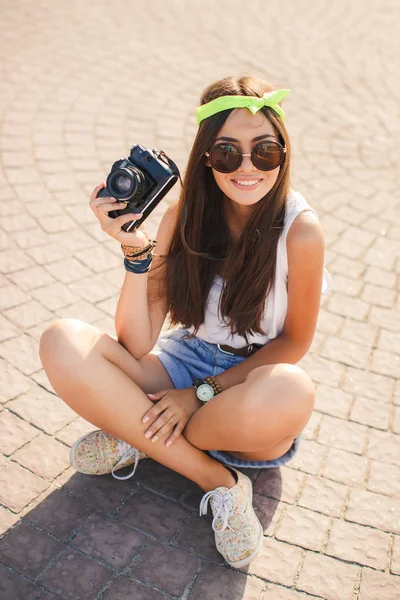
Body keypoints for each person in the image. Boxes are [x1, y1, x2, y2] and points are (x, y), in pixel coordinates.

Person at [39, 74, 332, 569]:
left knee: (293, 390)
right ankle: (218, 482)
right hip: (180, 361)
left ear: (283, 154)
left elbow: (294, 343)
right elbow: (137, 342)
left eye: (264, 151)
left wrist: (198, 395)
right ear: (205, 157)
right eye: (227, 153)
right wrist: (135, 252)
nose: (246, 167)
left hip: (246, 388)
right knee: (60, 340)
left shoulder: (300, 232)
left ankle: (138, 433)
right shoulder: (185, 216)